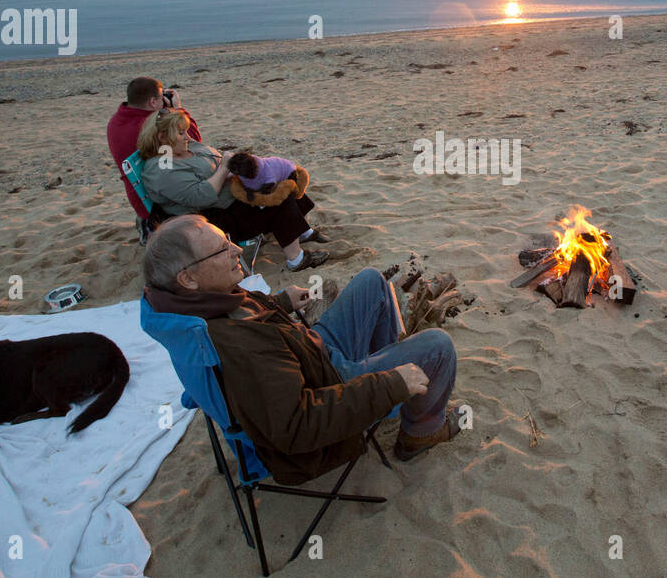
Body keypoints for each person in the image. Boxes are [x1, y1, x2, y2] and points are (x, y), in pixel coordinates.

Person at [142, 215, 462, 481]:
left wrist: (279, 302)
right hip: (328, 385)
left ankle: (385, 376)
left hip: (311, 356)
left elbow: (250, 324)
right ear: (188, 278)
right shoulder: (241, 346)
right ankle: (420, 434)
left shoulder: (188, 308)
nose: (236, 250)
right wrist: (388, 385)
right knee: (437, 346)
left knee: (371, 281)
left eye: (227, 238)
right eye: (220, 250)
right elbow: (297, 426)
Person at [137, 107, 328, 271]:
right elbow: (201, 197)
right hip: (216, 218)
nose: (188, 137)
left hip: (234, 198)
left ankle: (301, 232)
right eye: (180, 133)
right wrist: (224, 169)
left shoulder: (184, 149)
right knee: (277, 195)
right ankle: (296, 260)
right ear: (162, 137)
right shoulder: (161, 168)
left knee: (286, 175)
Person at [106, 77, 200, 241]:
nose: (163, 101)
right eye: (160, 98)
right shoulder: (150, 127)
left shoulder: (116, 120)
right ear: (151, 102)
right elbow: (192, 140)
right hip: (160, 200)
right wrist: (177, 109)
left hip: (140, 198)